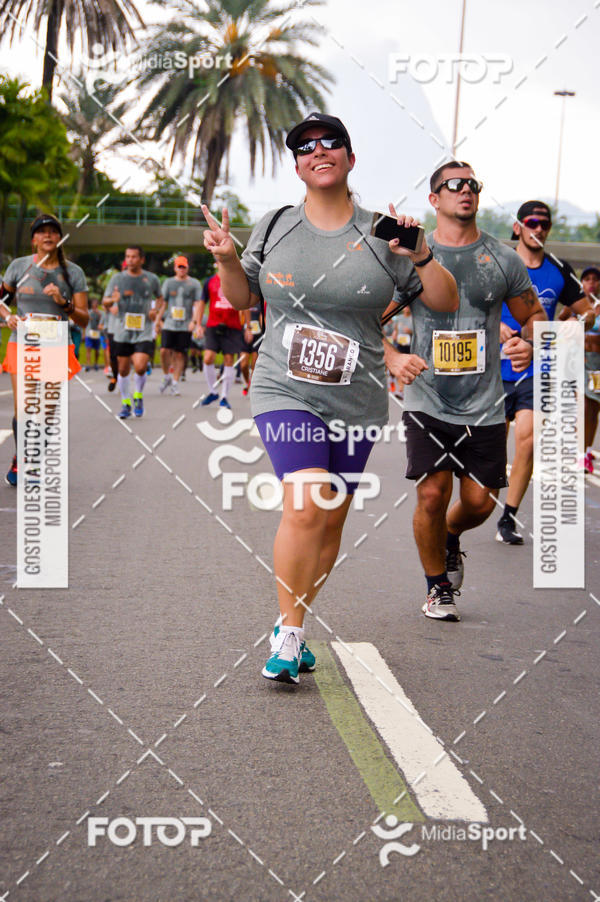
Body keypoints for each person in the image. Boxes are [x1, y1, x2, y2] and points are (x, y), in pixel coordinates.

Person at [201, 112, 458, 683]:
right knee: (306, 503)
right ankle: (288, 637)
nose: (319, 151)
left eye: (331, 142)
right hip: (282, 387)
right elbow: (244, 300)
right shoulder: (273, 227)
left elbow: (441, 299)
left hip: (358, 398)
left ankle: (292, 618)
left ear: (349, 156)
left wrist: (419, 253)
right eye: (305, 147)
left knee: (332, 521)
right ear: (297, 164)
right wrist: (223, 256)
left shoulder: (384, 232)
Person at [396, 162, 546, 621]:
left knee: (480, 502)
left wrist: (526, 342)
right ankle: (436, 586)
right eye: (454, 185)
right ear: (434, 199)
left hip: (483, 402)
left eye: (472, 185)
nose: (466, 191)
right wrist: (392, 356)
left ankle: (450, 537)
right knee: (432, 494)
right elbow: (367, 317)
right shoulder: (411, 256)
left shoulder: (502, 258)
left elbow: (536, 318)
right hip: (427, 396)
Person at [497, 201, 593, 542]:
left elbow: (588, 312)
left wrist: (554, 329)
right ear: (518, 228)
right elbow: (472, 304)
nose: (539, 228)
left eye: (545, 223)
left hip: (537, 368)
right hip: (493, 369)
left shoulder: (558, 267)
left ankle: (508, 517)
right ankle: (476, 502)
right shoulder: (501, 261)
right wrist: (494, 326)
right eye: (532, 222)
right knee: (491, 444)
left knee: (528, 440)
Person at [0, 214, 88, 485]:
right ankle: (25, 460)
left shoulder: (72, 272)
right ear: (33, 239)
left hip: (55, 344)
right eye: (42, 232)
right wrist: (8, 317)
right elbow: (1, 301)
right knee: (25, 407)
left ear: (59, 238)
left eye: (53, 231)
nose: (48, 236)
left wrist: (63, 302)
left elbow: (84, 318)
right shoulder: (19, 266)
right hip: (23, 343)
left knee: (46, 410)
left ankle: (33, 459)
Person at [103, 246, 163, 419]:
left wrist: (155, 311)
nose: (130, 260)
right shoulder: (117, 279)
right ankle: (125, 402)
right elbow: (105, 301)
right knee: (122, 370)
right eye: (127, 256)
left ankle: (137, 395)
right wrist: (112, 301)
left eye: (134, 257)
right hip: (123, 329)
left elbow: (160, 298)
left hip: (143, 329)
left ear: (141, 259)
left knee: (140, 366)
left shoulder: (151, 279)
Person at [195, 267, 252, 409]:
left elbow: (245, 304)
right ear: (216, 264)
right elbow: (202, 303)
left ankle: (224, 396)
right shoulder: (210, 281)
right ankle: (213, 392)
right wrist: (198, 324)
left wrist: (248, 327)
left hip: (232, 327)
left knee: (228, 360)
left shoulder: (237, 281)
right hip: (213, 325)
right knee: (208, 358)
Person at [568, 265, 600, 473]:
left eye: (595, 279)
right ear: (582, 283)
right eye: (587, 279)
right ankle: (580, 454)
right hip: (578, 361)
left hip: (597, 366)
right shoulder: (575, 307)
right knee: (582, 407)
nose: (591, 282)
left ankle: (587, 450)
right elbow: (558, 323)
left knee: (593, 409)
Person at [159, 256, 203, 395]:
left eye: (184, 266)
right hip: (170, 323)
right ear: (175, 268)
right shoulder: (168, 283)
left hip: (185, 324)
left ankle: (175, 382)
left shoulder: (194, 283)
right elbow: (163, 303)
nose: (181, 269)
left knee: (180, 354)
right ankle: (167, 376)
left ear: (187, 267)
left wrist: (194, 322)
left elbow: (198, 304)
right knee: (164, 351)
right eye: (179, 267)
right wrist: (158, 321)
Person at [84, 297, 104, 371]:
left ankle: (96, 363)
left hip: (97, 334)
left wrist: (98, 314)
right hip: (89, 333)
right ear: (92, 304)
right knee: (88, 349)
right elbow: (85, 322)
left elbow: (103, 320)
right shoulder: (88, 312)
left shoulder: (101, 313)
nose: (95, 305)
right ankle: (88, 365)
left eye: (96, 303)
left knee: (97, 350)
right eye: (93, 303)